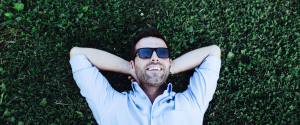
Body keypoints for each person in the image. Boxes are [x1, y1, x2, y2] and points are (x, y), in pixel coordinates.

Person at [69, 28, 221, 125]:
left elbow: (213, 52)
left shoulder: (192, 103)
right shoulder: (110, 105)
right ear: (133, 64)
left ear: (169, 62)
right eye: (145, 53)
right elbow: (78, 55)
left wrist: (165, 69)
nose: (154, 58)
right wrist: (133, 70)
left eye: (162, 53)